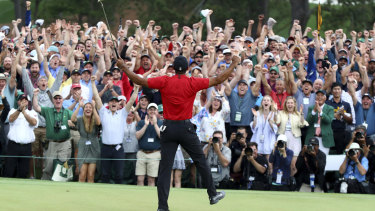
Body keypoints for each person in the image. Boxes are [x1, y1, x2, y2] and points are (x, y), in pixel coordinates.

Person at [117, 55, 241, 211]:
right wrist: (234, 64)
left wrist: (124, 68)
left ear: (174, 68)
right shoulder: (192, 82)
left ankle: (162, 207)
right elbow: (218, 79)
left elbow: (140, 80)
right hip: (185, 128)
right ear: (188, 69)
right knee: (200, 161)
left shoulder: (165, 80)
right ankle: (212, 194)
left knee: (165, 168)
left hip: (168, 128)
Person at [91, 75, 135, 184]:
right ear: (109, 104)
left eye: (115, 101)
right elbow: (96, 98)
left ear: (118, 104)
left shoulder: (122, 113)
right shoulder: (103, 112)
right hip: (105, 148)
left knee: (119, 174)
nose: (114, 103)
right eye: (112, 102)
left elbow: (131, 101)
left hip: (118, 149)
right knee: (105, 174)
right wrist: (92, 83)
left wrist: (137, 88)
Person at [32, 90, 74, 180]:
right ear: (53, 100)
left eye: (60, 98)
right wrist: (35, 95)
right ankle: (44, 186)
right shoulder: (48, 111)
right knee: (48, 167)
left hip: (65, 143)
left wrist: (73, 123)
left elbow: (77, 121)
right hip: (52, 143)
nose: (58, 100)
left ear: (63, 100)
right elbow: (36, 107)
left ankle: (63, 189)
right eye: (56, 98)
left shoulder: (68, 112)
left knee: (63, 167)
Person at [4, 94, 38, 178]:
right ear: (18, 102)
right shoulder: (12, 110)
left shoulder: (32, 112)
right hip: (13, 146)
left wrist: (24, 113)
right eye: (21, 100)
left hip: (26, 147)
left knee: (23, 172)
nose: (23, 101)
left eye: (25, 100)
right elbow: (11, 119)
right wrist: (19, 110)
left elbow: (34, 122)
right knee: (9, 170)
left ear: (28, 102)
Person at [276, 96, 308, 176]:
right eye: (288, 103)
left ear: (294, 104)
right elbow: (277, 121)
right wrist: (276, 112)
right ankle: (285, 181)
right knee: (284, 163)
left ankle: (291, 181)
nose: (290, 105)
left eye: (291, 103)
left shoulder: (298, 114)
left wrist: (301, 114)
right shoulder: (281, 113)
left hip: (295, 140)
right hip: (284, 139)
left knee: (293, 165)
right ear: (285, 104)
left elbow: (302, 124)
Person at [70, 100, 101, 183]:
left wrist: (94, 108)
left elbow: (98, 122)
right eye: (86, 107)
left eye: (90, 107)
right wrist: (79, 106)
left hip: (94, 147)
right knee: (82, 174)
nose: (88, 109)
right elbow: (72, 119)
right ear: (83, 110)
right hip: (83, 146)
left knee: (91, 175)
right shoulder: (80, 119)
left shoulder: (95, 119)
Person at [135, 103, 162, 186]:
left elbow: (162, 137)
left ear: (157, 112)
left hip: (154, 154)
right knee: (140, 179)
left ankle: (150, 197)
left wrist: (155, 124)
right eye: (150, 109)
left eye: (154, 110)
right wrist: (146, 125)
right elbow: (137, 136)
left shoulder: (161, 123)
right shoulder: (141, 123)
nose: (152, 111)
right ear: (147, 111)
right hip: (142, 153)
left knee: (151, 179)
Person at [305, 90, 334, 155]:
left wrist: (321, 112)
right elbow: (307, 122)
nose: (319, 97)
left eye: (322, 95)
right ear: (315, 97)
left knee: (323, 159)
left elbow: (329, 121)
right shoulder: (311, 108)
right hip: (312, 137)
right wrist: (314, 111)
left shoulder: (330, 108)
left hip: (324, 138)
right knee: (311, 158)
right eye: (318, 95)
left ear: (325, 98)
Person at [326, 83, 353, 154]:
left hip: (341, 132)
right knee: (328, 153)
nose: (337, 91)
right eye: (335, 89)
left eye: (338, 89)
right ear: (332, 91)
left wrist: (343, 114)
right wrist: (334, 115)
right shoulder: (327, 104)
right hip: (329, 132)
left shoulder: (346, 104)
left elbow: (350, 121)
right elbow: (322, 117)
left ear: (341, 91)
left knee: (340, 154)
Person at [250, 95, 278, 161]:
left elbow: (275, 128)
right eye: (264, 100)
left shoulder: (274, 113)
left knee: (269, 164)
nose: (266, 102)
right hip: (258, 140)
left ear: (271, 103)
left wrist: (269, 121)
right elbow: (254, 127)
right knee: (258, 161)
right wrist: (256, 118)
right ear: (262, 103)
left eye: (268, 100)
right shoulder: (257, 113)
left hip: (269, 140)